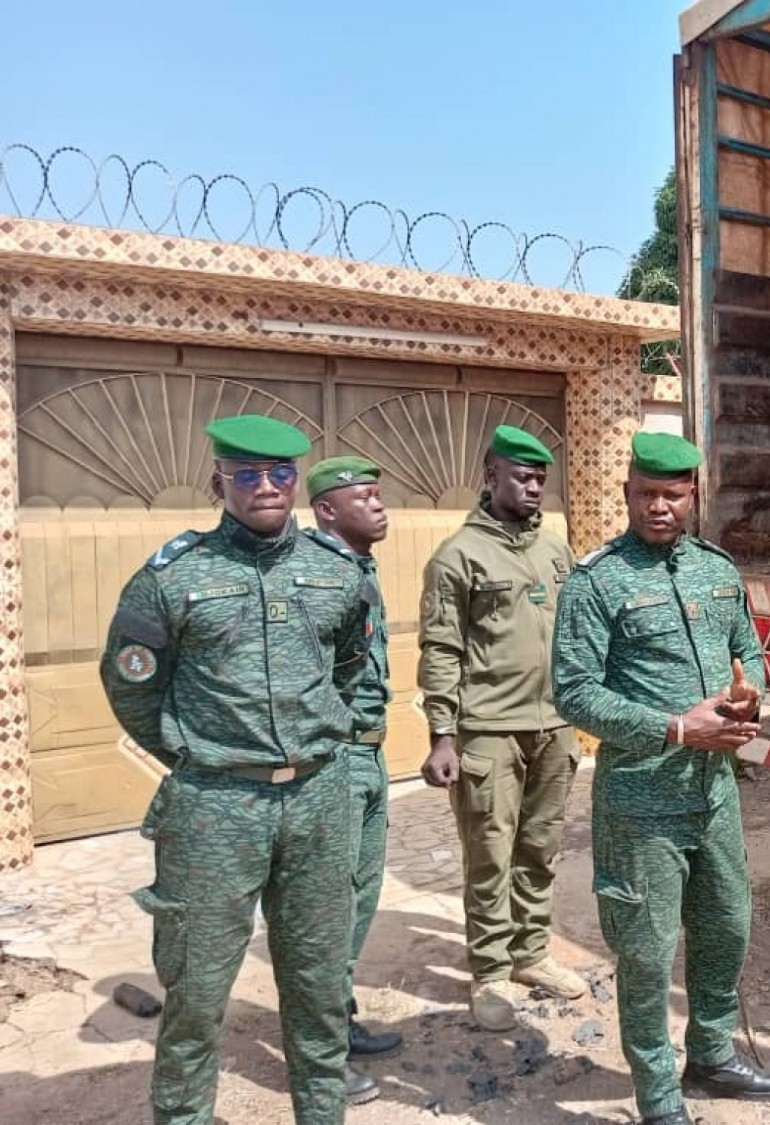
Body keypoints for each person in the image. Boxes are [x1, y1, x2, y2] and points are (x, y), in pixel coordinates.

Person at [100, 414, 372, 1125]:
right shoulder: (174, 576)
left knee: (318, 985)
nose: (266, 487)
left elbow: (348, 665)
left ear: (296, 480)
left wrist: (318, 740)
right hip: (213, 807)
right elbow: (131, 683)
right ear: (219, 481)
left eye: (280, 473)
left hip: (319, 798)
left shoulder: (336, 570)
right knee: (196, 988)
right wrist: (196, 753)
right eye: (247, 475)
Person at [551, 431, 770, 1125]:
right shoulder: (597, 581)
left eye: (673, 493)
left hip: (713, 791)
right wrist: (678, 726)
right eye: (647, 493)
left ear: (693, 496)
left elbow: (748, 647)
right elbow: (573, 691)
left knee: (727, 923)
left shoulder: (718, 569)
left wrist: (750, 694)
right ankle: (658, 1093)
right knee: (647, 948)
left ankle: (711, 1054)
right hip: (640, 797)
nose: (660, 506)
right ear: (627, 492)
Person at [417, 424, 585, 1032]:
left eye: (541, 476)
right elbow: (440, 648)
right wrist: (442, 734)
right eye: (521, 475)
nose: (534, 486)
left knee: (540, 849)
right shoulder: (458, 556)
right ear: (490, 477)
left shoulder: (556, 549)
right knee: (490, 855)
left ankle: (531, 954)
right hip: (487, 729)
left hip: (554, 726)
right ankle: (490, 971)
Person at [305, 456, 403, 1080]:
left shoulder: (357, 568)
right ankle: (317, 1048)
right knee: (328, 908)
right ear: (325, 510)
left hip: (369, 753)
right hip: (337, 759)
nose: (378, 505)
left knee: (360, 898)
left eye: (377, 493)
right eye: (363, 496)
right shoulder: (316, 575)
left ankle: (335, 1019)